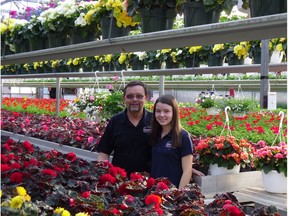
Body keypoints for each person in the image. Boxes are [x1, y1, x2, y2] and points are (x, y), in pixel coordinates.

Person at [96, 80, 153, 175]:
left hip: (148, 181)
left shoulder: (154, 121)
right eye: (130, 96)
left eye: (139, 96)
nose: (134, 99)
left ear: (146, 98)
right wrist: (102, 173)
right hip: (120, 180)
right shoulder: (115, 122)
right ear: (124, 98)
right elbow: (104, 152)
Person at [150, 94, 194, 189]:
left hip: (172, 194)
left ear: (174, 112)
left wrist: (179, 195)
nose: (161, 115)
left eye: (166, 111)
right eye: (158, 111)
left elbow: (187, 171)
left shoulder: (183, 136)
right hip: (154, 191)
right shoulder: (154, 134)